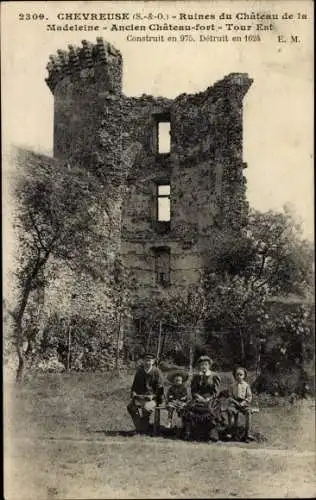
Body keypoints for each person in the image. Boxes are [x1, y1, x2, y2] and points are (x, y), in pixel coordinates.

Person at [183, 355, 222, 442]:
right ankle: (193, 435)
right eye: (201, 365)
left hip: (211, 399)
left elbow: (216, 392)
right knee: (190, 408)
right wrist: (198, 397)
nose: (203, 366)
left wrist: (208, 399)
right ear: (199, 366)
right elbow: (193, 391)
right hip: (198, 398)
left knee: (210, 411)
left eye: (205, 364)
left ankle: (211, 436)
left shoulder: (214, 376)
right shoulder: (196, 377)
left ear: (209, 366)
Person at [127, 352, 164, 434]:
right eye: (146, 360)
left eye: (149, 361)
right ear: (143, 361)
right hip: (141, 398)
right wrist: (133, 393)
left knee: (146, 408)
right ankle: (140, 427)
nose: (147, 362)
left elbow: (160, 389)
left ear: (153, 361)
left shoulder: (157, 372)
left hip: (153, 399)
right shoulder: (139, 372)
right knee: (130, 407)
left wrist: (153, 396)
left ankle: (142, 429)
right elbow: (134, 386)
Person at [227, 366, 253, 442]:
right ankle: (231, 433)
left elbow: (249, 396)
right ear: (234, 376)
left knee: (248, 412)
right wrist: (235, 402)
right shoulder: (232, 386)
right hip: (234, 403)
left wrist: (244, 402)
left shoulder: (246, 385)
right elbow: (230, 397)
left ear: (244, 376)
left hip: (243, 403)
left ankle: (247, 434)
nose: (238, 377)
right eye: (237, 375)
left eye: (241, 375)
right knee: (230, 411)